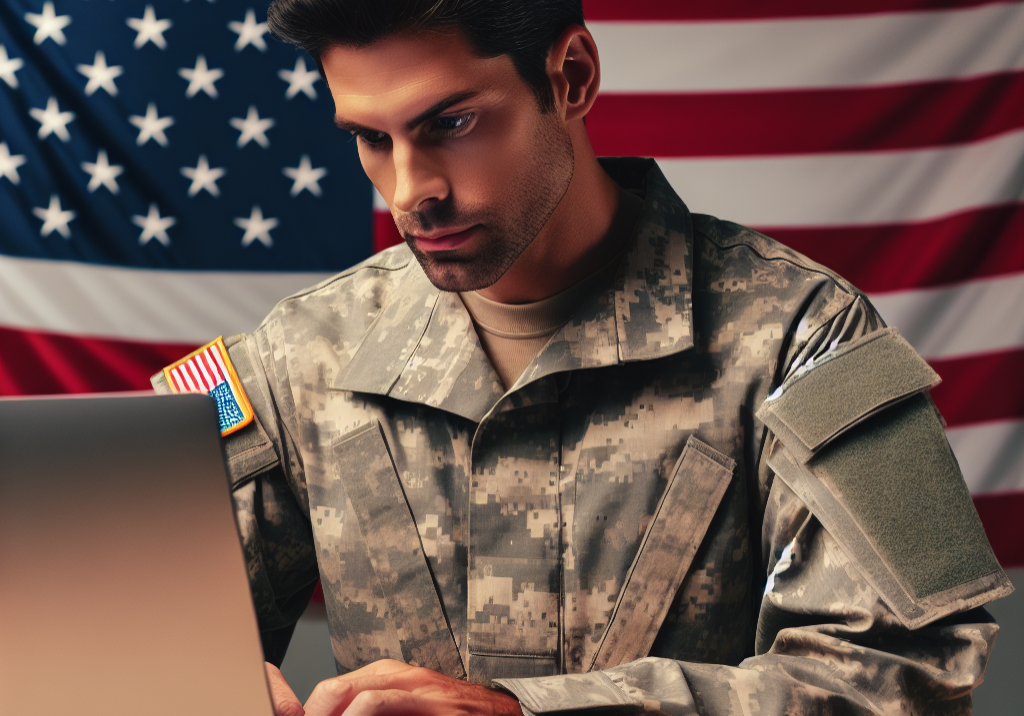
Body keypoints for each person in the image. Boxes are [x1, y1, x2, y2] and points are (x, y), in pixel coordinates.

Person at [153, 1, 1012, 714]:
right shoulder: (300, 353)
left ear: (571, 78)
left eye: (450, 123)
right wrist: (187, 684)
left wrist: (527, 713)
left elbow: (911, 674)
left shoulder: (808, 338)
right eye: (372, 139)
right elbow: (140, 623)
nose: (410, 188)